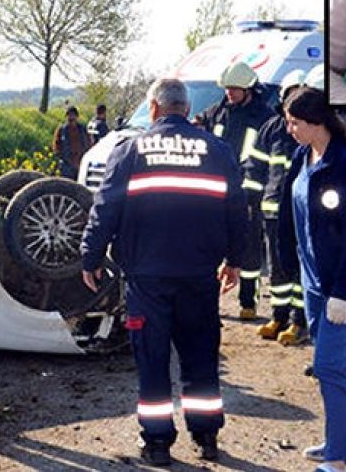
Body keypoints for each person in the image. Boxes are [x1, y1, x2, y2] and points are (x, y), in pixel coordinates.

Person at [80, 78, 246, 466]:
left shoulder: (129, 150)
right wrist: (235, 260)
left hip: (146, 279)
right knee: (201, 355)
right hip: (199, 276)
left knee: (152, 360)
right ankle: (206, 435)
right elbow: (238, 212)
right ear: (186, 109)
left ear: (153, 109)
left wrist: (89, 256)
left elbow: (105, 208)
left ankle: (157, 444)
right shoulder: (217, 151)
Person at [278, 85, 346, 471]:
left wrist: (341, 291)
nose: (290, 129)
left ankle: (337, 458)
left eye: (295, 123)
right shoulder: (303, 155)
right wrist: (288, 263)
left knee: (328, 363)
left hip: (344, 281)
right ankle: (344, 442)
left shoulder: (345, 165)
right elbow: (292, 214)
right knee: (334, 365)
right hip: (313, 277)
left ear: (317, 122)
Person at [196, 61, 277, 319]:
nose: (229, 93)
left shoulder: (264, 116)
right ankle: (209, 300)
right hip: (216, 189)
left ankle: (248, 302)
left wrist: (257, 189)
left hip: (248, 191)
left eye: (234, 89)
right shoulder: (216, 112)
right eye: (227, 88)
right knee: (211, 245)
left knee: (250, 248)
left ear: (248, 88)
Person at [251, 71, 309, 346]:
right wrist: (250, 201)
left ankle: (300, 321)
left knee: (299, 268)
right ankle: (278, 316)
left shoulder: (311, 127)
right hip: (273, 209)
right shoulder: (272, 127)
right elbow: (256, 167)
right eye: (291, 94)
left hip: (302, 210)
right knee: (276, 268)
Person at [53, 105, 93, 179]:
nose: (71, 117)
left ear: (77, 117)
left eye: (73, 115)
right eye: (69, 115)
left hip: (80, 164)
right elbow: (56, 147)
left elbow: (89, 144)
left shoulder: (83, 130)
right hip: (66, 166)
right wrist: (64, 158)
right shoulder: (61, 130)